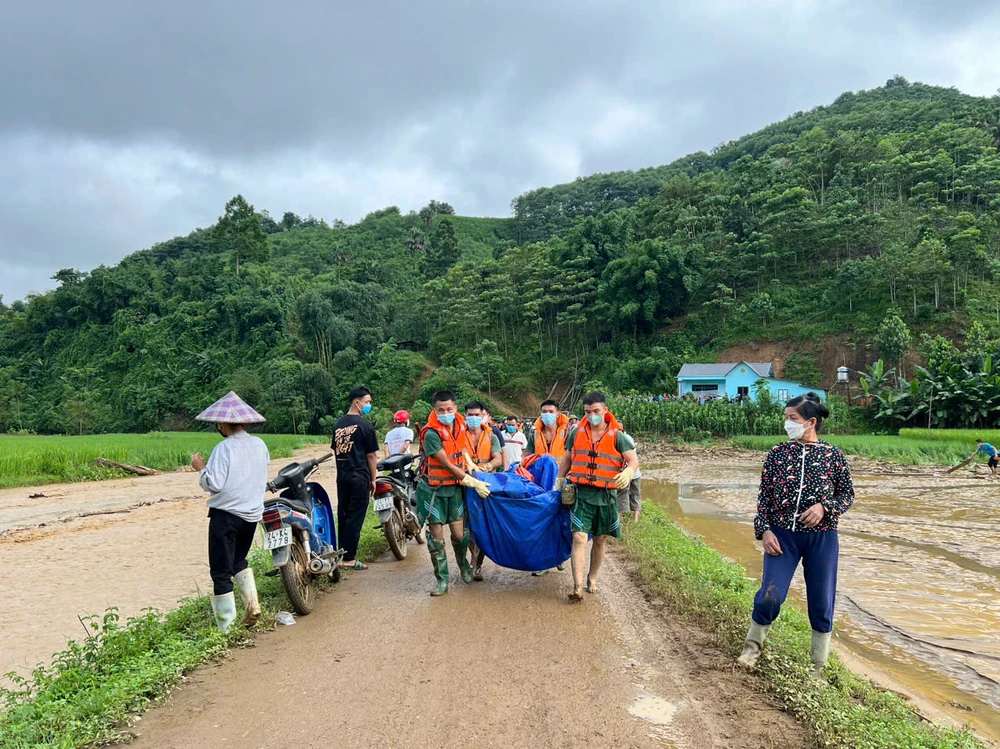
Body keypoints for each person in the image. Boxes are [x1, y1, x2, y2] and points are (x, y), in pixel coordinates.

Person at [737, 393, 854, 681]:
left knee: (821, 601)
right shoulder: (778, 454)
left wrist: (825, 507)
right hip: (782, 538)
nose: (788, 423)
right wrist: (764, 530)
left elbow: (847, 495)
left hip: (821, 539)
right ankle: (752, 649)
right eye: (787, 418)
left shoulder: (832, 456)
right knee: (770, 596)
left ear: (811, 422)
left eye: (794, 419)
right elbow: (764, 497)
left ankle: (817, 667)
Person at [191, 391, 270, 633]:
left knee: (220, 572)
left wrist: (201, 467)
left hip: (226, 516)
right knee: (238, 561)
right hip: (251, 515)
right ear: (245, 422)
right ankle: (252, 604)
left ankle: (226, 627)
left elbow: (214, 484)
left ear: (223, 424)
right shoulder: (260, 445)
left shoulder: (224, 448)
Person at [556, 391, 639, 602]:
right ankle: (577, 586)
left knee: (600, 540)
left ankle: (592, 577)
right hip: (582, 493)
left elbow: (633, 461)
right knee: (579, 537)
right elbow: (567, 457)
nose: (592, 415)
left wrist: (628, 472)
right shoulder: (576, 433)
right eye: (587, 412)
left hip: (606, 495)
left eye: (596, 411)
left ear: (605, 411)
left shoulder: (618, 436)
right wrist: (559, 480)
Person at [418, 390, 491, 596]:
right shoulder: (431, 433)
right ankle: (442, 580)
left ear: (455, 408)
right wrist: (471, 481)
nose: (445, 413)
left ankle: (465, 567)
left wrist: (470, 465)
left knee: (460, 535)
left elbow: (461, 451)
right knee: (436, 538)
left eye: (449, 409)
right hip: (434, 491)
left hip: (455, 489)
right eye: (441, 410)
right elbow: (446, 464)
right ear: (435, 410)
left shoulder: (460, 425)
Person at [333, 386, 379, 571]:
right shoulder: (365, 426)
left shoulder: (338, 424)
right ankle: (349, 559)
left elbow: (336, 451)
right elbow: (371, 456)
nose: (368, 405)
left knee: (343, 515)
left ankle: (341, 554)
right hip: (360, 476)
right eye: (367, 402)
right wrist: (373, 479)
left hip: (342, 477)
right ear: (357, 402)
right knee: (355, 516)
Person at [616, 435, 642, 523]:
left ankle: (620, 519)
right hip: (635, 472)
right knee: (635, 495)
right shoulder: (629, 437)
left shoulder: (620, 438)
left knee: (622, 494)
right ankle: (635, 520)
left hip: (626, 473)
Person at [481, 405, 508, 469]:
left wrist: (505, 468)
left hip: (490, 469)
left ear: (489, 417)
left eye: (483, 415)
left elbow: (503, 449)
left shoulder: (495, 431)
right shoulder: (468, 431)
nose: (480, 417)